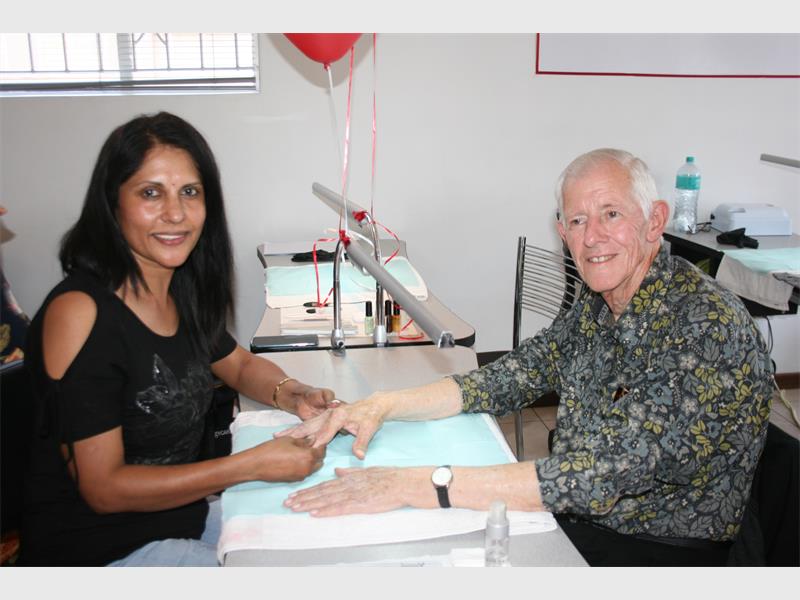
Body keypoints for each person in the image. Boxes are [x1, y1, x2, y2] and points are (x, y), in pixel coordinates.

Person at [279, 148, 775, 567]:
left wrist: (415, 484)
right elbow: (512, 376)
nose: (592, 236)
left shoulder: (704, 328)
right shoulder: (601, 301)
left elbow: (596, 475)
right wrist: (381, 405)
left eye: (611, 214)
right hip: (585, 517)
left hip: (658, 548)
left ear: (655, 221)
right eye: (577, 220)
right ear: (562, 231)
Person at [20, 112, 334, 567]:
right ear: (112, 202)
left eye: (190, 192)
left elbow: (239, 365)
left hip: (175, 517)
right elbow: (104, 489)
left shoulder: (178, 288)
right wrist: (250, 465)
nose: (175, 213)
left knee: (318, 538)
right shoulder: (80, 313)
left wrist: (293, 393)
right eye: (151, 193)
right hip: (99, 550)